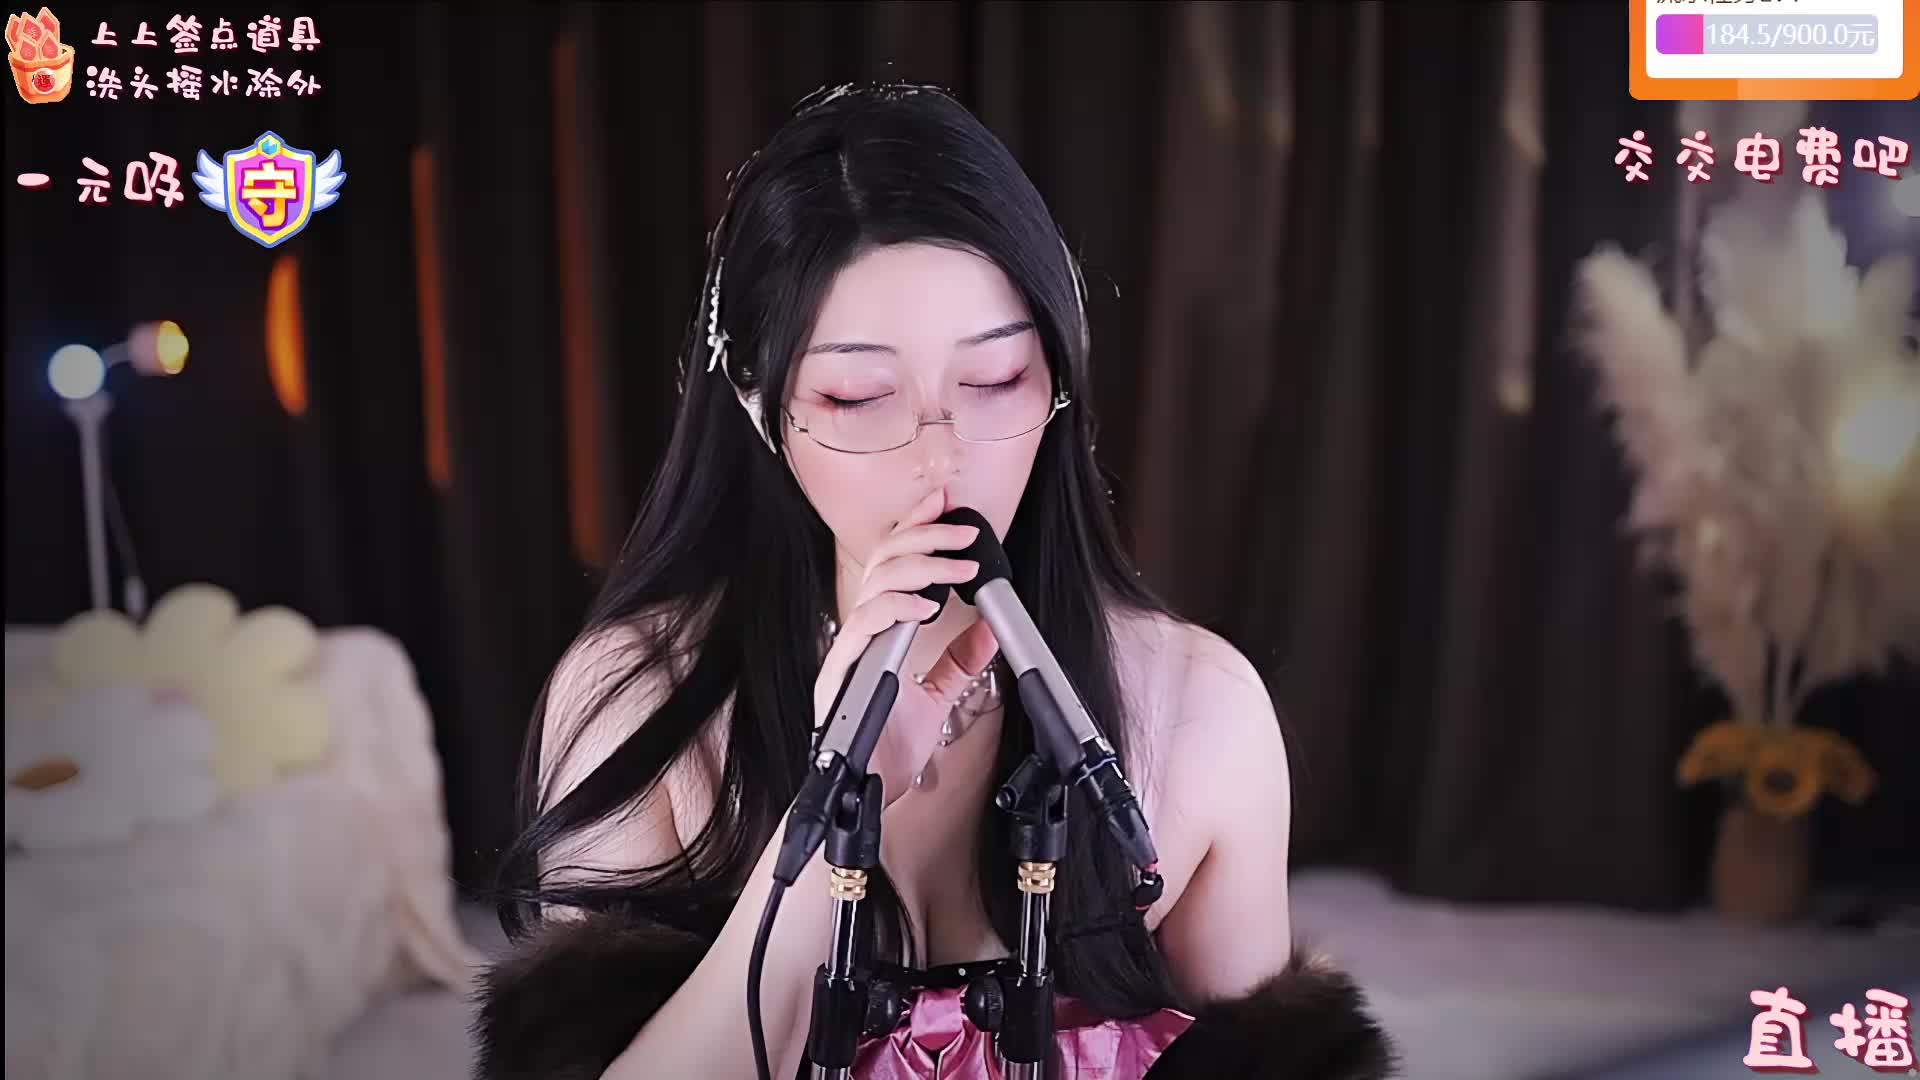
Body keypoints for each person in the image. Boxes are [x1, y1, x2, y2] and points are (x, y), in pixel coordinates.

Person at [474, 82, 1394, 1080]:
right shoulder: (640, 700)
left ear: (1060, 376)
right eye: (858, 396)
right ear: (754, 401)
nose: (940, 459)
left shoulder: (1197, 707)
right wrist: (833, 810)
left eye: (995, 381)